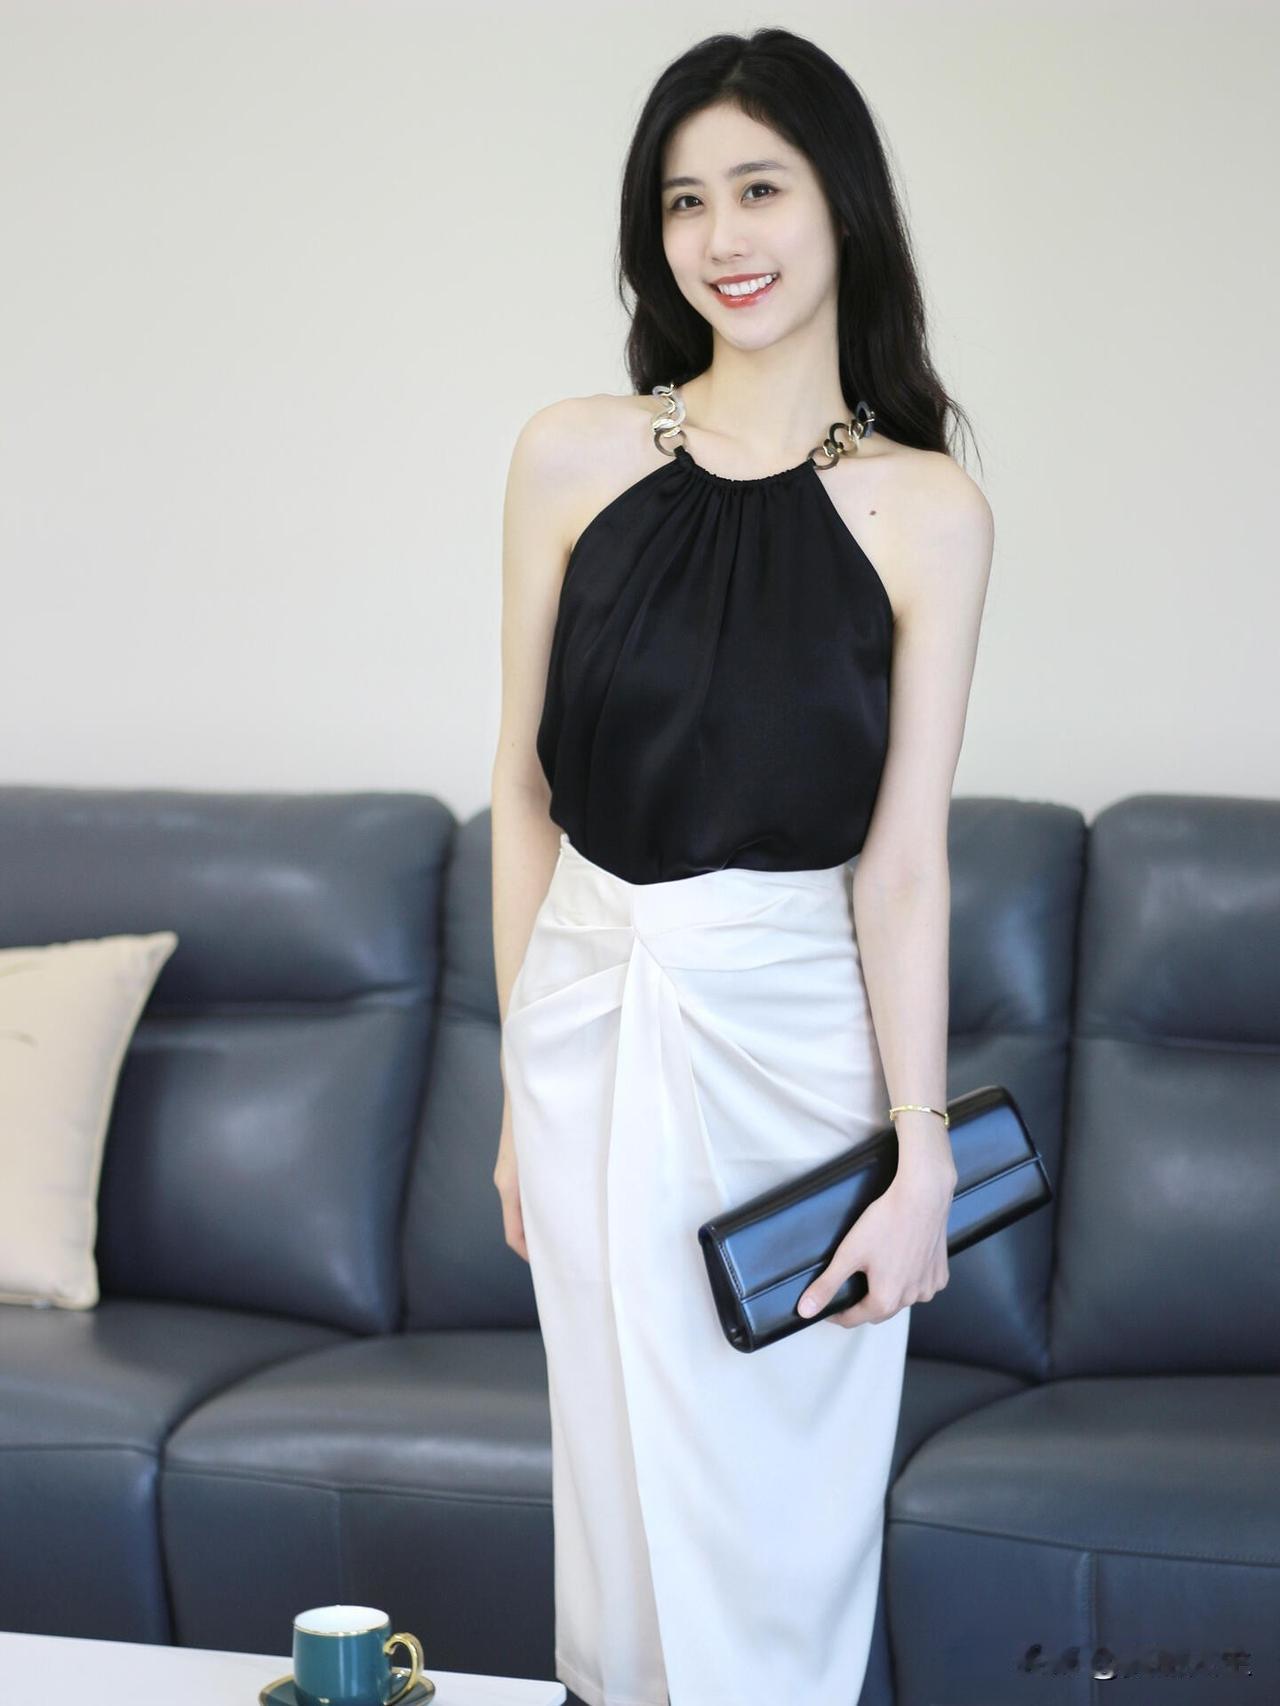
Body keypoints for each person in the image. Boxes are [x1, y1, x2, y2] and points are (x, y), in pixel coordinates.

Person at [490, 26, 992, 1706]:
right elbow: (522, 793)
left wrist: (921, 1157)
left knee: (776, 1521)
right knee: (619, 1504)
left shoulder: (928, 510)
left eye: (759, 189)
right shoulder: (571, 455)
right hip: (588, 1022)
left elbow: (902, 865)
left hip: (797, 1049)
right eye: (684, 200)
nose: (723, 236)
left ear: (841, 202)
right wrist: (515, 1089)